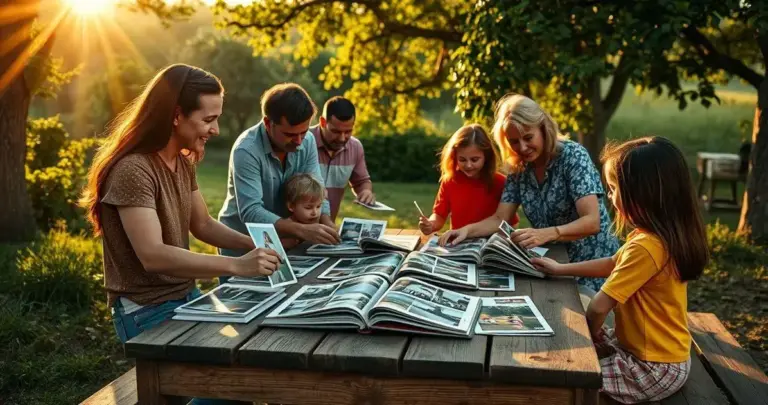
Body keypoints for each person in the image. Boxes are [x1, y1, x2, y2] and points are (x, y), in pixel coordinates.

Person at [81, 64, 280, 405]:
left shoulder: (182, 162)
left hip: (186, 297)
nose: (216, 129)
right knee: (231, 390)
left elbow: (203, 225)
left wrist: (256, 245)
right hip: (146, 310)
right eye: (208, 119)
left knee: (252, 367)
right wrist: (237, 265)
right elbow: (153, 255)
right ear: (176, 116)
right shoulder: (133, 169)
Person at [531, 136, 708, 403]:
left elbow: (598, 307)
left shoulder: (647, 247)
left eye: (614, 189)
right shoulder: (653, 238)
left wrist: (590, 337)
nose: (610, 197)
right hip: (656, 351)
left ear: (642, 193)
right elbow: (613, 263)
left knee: (568, 379)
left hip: (652, 367)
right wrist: (560, 269)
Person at [439, 95, 619, 291]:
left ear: (543, 128)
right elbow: (500, 218)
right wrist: (466, 231)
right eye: (514, 141)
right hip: (551, 266)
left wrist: (548, 233)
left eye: (528, 138)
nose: (522, 148)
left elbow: (592, 221)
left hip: (593, 270)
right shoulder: (519, 167)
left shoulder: (573, 156)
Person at [218, 83, 340, 261]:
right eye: (290, 134)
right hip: (243, 245)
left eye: (304, 132)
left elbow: (316, 187)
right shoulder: (246, 150)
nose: (299, 141)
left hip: (287, 243)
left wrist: (327, 222)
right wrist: (300, 230)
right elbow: (251, 211)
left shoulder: (308, 141)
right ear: (268, 123)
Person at [418, 124, 519, 235]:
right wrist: (431, 224)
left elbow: (511, 223)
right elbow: (439, 215)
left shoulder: (501, 182)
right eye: (462, 160)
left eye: (474, 159)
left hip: (491, 242)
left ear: (486, 157)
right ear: (454, 157)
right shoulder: (450, 181)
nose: (468, 165)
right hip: (459, 242)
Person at [310, 96, 374, 220]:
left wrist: (366, 191)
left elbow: (361, 181)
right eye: (335, 131)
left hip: (329, 225)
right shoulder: (303, 141)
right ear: (323, 122)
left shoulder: (355, 147)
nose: (342, 138)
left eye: (348, 131)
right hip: (296, 226)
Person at [280, 173, 325, 249]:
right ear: (291, 206)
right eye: (308, 208)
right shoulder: (286, 230)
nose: (315, 212)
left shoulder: (319, 224)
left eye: (318, 206)